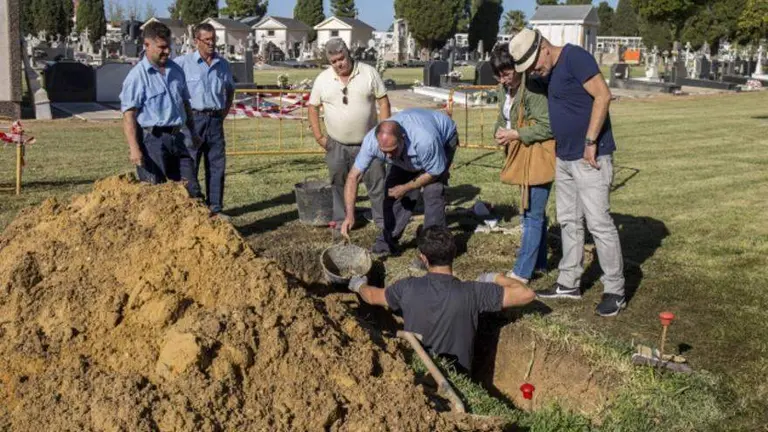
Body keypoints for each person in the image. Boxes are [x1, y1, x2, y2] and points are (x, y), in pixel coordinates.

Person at [509, 29, 626, 316]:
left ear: (544, 47)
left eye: (535, 66)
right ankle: (569, 282)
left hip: (590, 156)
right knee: (568, 221)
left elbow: (603, 96)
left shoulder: (576, 58)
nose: (534, 72)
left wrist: (591, 141)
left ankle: (615, 290)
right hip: (564, 156)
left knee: (598, 223)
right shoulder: (546, 72)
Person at [347, 226, 535, 373]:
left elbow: (371, 296)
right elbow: (526, 294)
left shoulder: (406, 287)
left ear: (423, 258)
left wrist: (358, 284)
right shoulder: (473, 292)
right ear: (454, 254)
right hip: (459, 377)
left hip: (419, 374)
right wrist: (494, 277)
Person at [341, 109, 458, 258]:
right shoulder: (371, 142)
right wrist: (350, 215)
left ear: (403, 138)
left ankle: (433, 252)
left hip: (443, 138)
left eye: (392, 150)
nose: (389, 156)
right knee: (392, 191)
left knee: (433, 191)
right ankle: (387, 241)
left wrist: (407, 187)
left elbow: (434, 173)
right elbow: (353, 177)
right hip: (412, 148)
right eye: (384, 152)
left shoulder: (425, 140)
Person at [308, 38, 390, 243]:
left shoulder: (369, 73)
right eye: (334, 61)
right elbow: (312, 107)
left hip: (369, 143)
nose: (339, 64)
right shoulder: (323, 79)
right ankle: (341, 221)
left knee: (377, 182)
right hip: (336, 144)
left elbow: (383, 102)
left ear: (348, 54)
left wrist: (384, 134)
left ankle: (383, 222)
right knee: (338, 183)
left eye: (341, 58)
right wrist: (319, 137)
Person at [490, 44, 555, 285]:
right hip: (521, 155)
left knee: (531, 216)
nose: (502, 80)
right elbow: (503, 116)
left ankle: (522, 273)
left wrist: (516, 134)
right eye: (498, 75)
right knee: (532, 213)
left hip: (537, 155)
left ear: (518, 68)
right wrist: (498, 132)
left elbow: (548, 126)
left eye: (506, 74)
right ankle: (539, 263)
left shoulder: (533, 89)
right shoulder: (504, 89)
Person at [119, 21, 200, 194]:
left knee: (191, 189)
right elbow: (129, 115)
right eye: (162, 47)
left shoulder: (176, 70)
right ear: (147, 45)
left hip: (177, 138)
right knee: (156, 193)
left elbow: (185, 103)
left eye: (168, 46)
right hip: (152, 141)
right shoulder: (137, 76)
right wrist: (134, 149)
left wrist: (193, 133)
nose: (167, 51)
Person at [174, 23, 235, 218]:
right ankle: (194, 207)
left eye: (213, 39)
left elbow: (230, 90)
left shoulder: (222, 64)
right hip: (193, 120)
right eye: (206, 40)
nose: (211, 43)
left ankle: (215, 209)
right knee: (189, 164)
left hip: (215, 120)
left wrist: (223, 113)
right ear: (196, 41)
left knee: (217, 166)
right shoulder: (182, 64)